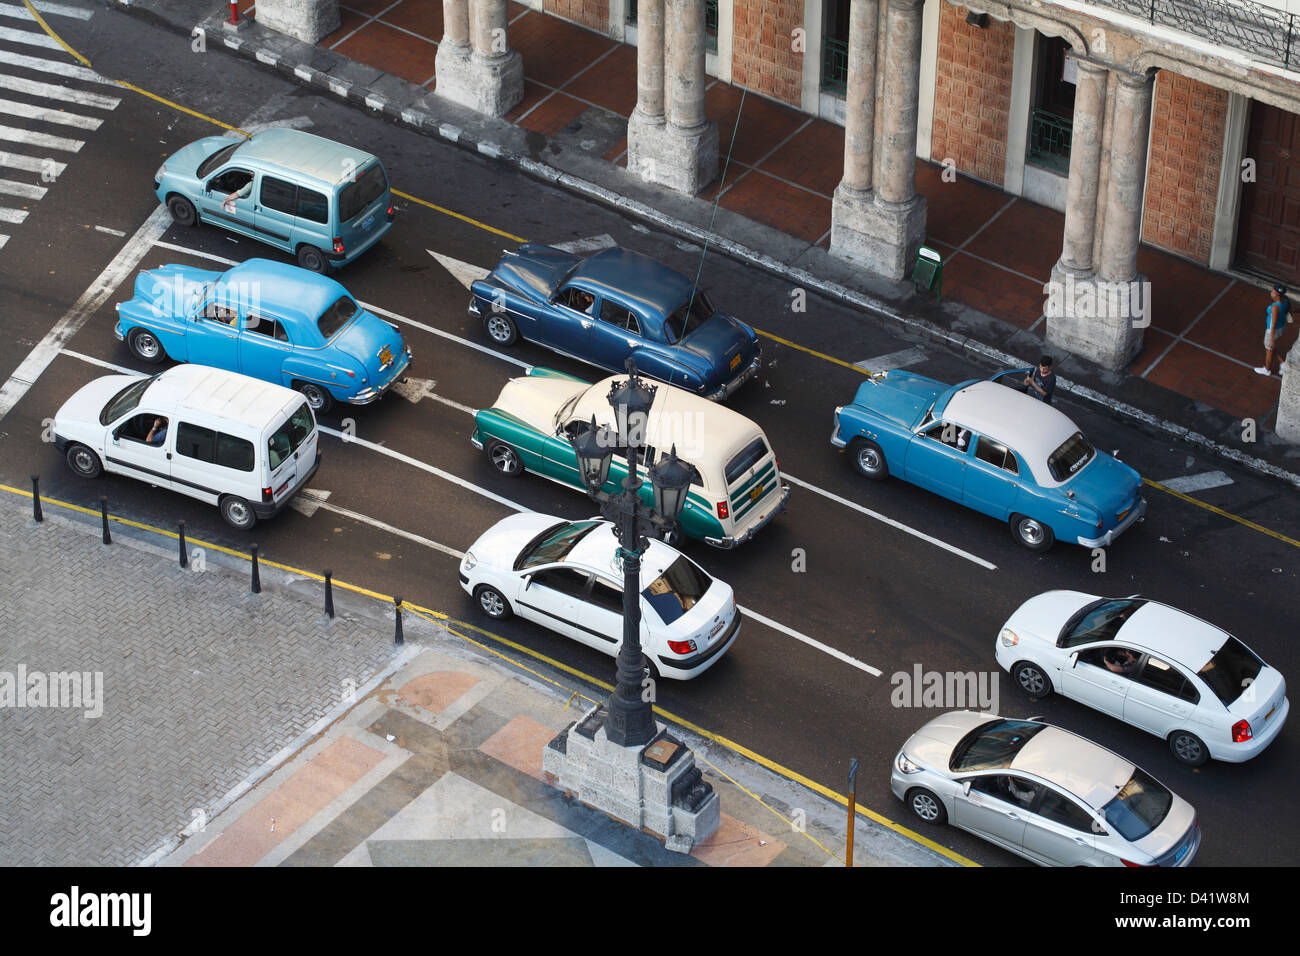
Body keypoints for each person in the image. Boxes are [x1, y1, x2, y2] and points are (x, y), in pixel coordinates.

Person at [1256, 284, 1291, 376]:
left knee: (1269, 350)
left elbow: (1273, 324)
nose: (1271, 293)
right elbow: (1289, 309)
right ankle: (1283, 363)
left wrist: (1271, 339)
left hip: (1272, 331)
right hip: (1281, 328)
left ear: (1277, 295)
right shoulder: (1285, 300)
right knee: (1271, 347)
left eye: (1273, 292)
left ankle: (1267, 370)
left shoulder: (1275, 307)